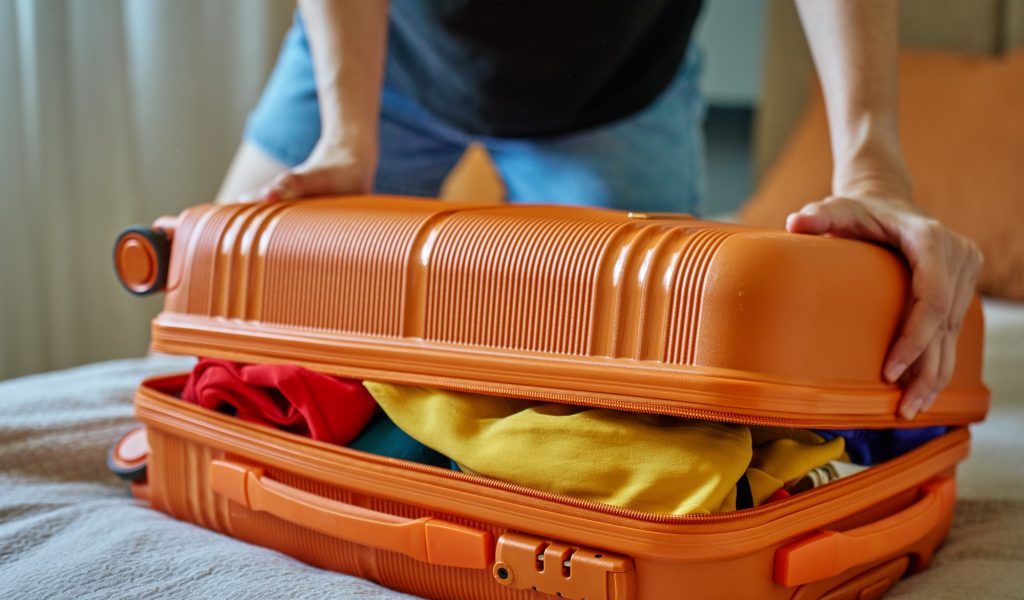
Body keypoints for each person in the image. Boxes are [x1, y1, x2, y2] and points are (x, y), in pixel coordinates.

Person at [218, 0, 982, 422]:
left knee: (638, 386)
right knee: (225, 318)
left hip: (615, 87)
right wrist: (348, 139)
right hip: (382, 47)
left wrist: (874, 168)